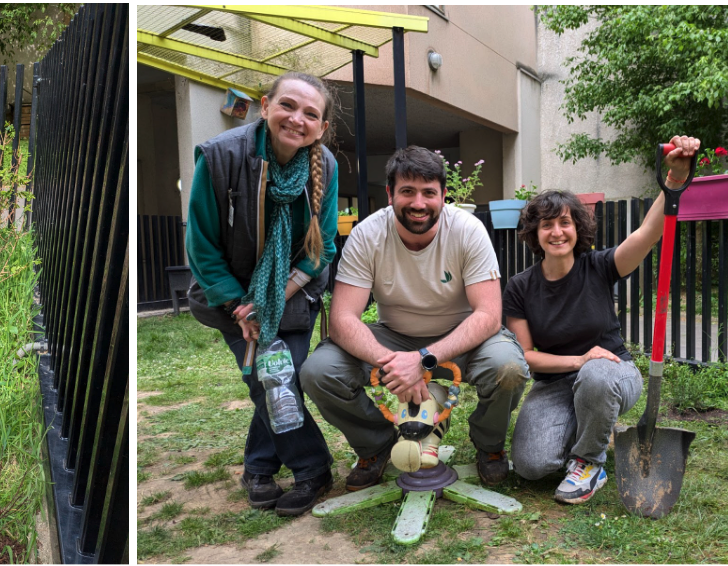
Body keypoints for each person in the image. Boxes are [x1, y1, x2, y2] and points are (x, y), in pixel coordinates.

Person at [301, 146, 530, 492]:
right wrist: (395, 364)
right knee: (318, 372)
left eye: (428, 193)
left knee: (508, 367)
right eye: (407, 191)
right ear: (390, 194)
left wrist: (423, 360)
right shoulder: (367, 235)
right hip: (394, 338)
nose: (418, 203)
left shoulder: (468, 230)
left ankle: (489, 444)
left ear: (443, 196)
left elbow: (487, 315)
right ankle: (376, 445)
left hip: (463, 339)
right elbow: (343, 319)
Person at [504, 136, 700, 504]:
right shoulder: (520, 287)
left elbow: (646, 234)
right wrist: (578, 360)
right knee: (532, 466)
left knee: (594, 376)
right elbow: (525, 355)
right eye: (547, 225)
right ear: (536, 234)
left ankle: (589, 463)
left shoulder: (598, 267)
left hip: (613, 372)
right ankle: (598, 427)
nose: (557, 231)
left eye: (564, 222)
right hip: (554, 385)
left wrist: (674, 179)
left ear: (577, 228)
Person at [184, 72, 339, 517]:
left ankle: (259, 465)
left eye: (311, 114)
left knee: (274, 377)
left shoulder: (323, 165)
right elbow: (202, 244)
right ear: (265, 105)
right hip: (231, 292)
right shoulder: (219, 157)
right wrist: (240, 305)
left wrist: (277, 295)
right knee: (272, 377)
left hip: (294, 286)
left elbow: (322, 245)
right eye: (288, 106)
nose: (297, 119)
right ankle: (313, 466)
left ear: (322, 127)